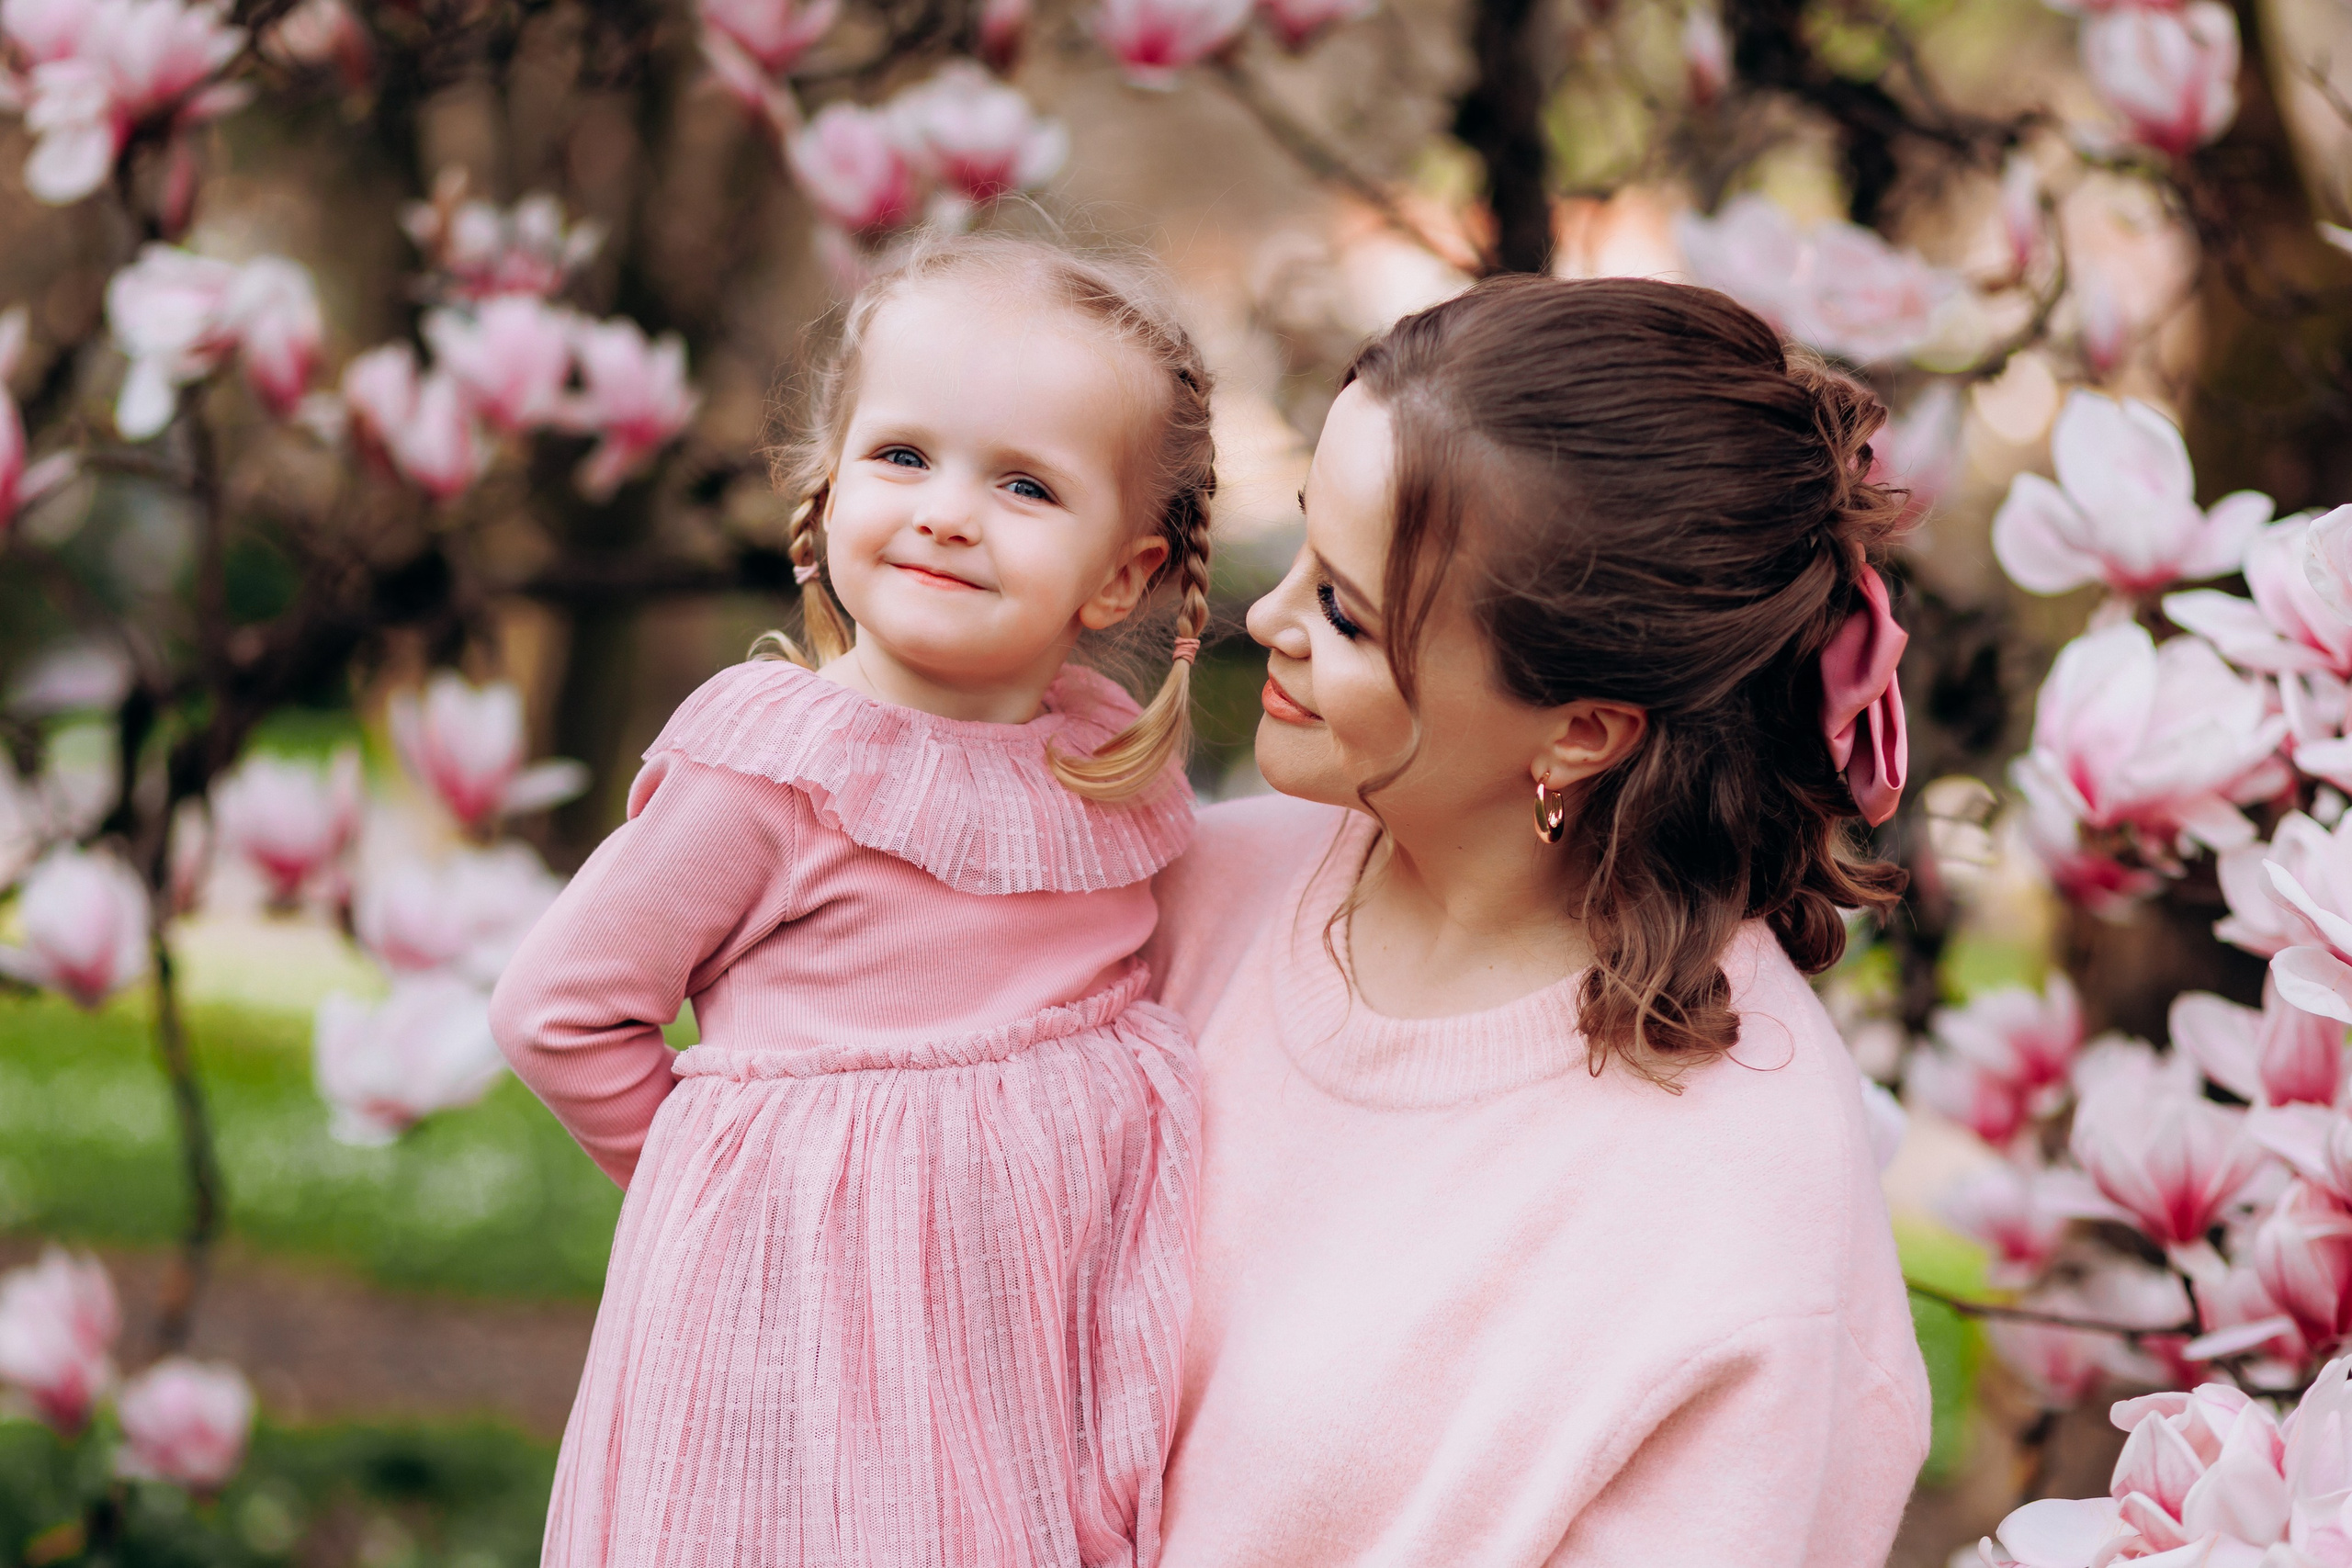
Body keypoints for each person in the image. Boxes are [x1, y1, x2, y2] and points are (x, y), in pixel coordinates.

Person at [1144, 274, 1930, 1566]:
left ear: (1579, 730)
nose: (1267, 619)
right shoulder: (1180, 894)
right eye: (1301, 548)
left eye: (1345, 611)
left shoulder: (1739, 1208)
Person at [489, 234, 1216, 1568]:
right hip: (801, 1346)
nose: (946, 509)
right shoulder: (773, 771)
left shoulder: (1102, 767)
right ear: (825, 494)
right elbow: (559, 1009)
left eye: (1024, 483)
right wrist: (757, 1212)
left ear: (1121, 574)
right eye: (902, 457)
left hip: (1016, 1344)